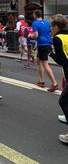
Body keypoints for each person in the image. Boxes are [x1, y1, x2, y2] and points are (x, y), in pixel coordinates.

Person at [49, 15, 68, 143]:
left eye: (51, 26)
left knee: (63, 101)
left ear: (56, 26)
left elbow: (62, 60)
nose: (51, 29)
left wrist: (51, 54)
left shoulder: (57, 39)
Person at [31, 9, 59, 92]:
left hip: (42, 45)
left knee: (45, 64)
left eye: (33, 14)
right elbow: (50, 32)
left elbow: (36, 35)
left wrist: (30, 36)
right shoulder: (47, 22)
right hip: (47, 44)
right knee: (38, 61)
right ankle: (41, 81)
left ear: (35, 15)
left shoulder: (35, 23)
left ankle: (54, 84)